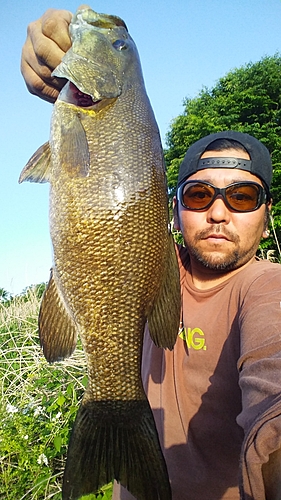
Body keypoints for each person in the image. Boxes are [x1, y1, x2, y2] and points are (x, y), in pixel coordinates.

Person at [21, 8, 281, 500]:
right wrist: (50, 56)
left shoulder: (268, 288)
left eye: (242, 196)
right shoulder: (158, 266)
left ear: (266, 212)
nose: (219, 212)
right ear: (174, 206)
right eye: (200, 195)